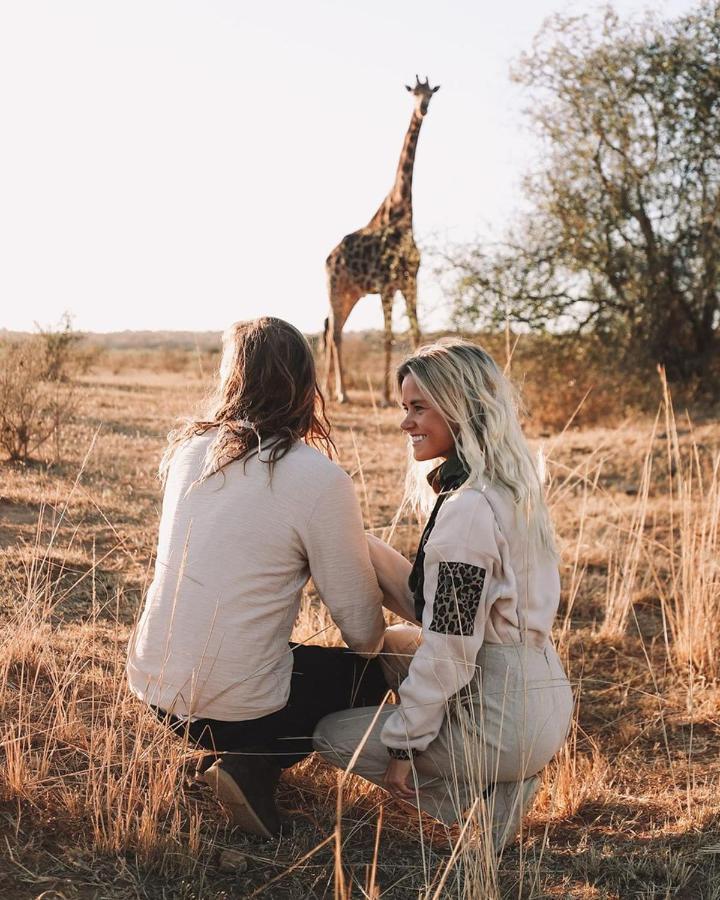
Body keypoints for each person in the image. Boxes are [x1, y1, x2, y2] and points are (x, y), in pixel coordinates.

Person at [127, 317, 387, 839]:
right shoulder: (318, 477)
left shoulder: (187, 454)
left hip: (155, 692)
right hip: (237, 708)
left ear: (231, 380)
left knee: (262, 652)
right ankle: (253, 764)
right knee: (373, 676)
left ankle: (220, 755)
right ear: (304, 384)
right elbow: (362, 631)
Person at [313, 338, 573, 852]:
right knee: (391, 642)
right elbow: (448, 608)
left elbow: (451, 648)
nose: (405, 423)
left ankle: (490, 801)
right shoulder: (510, 488)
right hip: (543, 692)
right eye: (404, 408)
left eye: (418, 408)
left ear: (460, 409)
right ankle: (508, 773)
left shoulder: (468, 510)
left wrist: (405, 745)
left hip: (503, 716)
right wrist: (346, 538)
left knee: (331, 735)